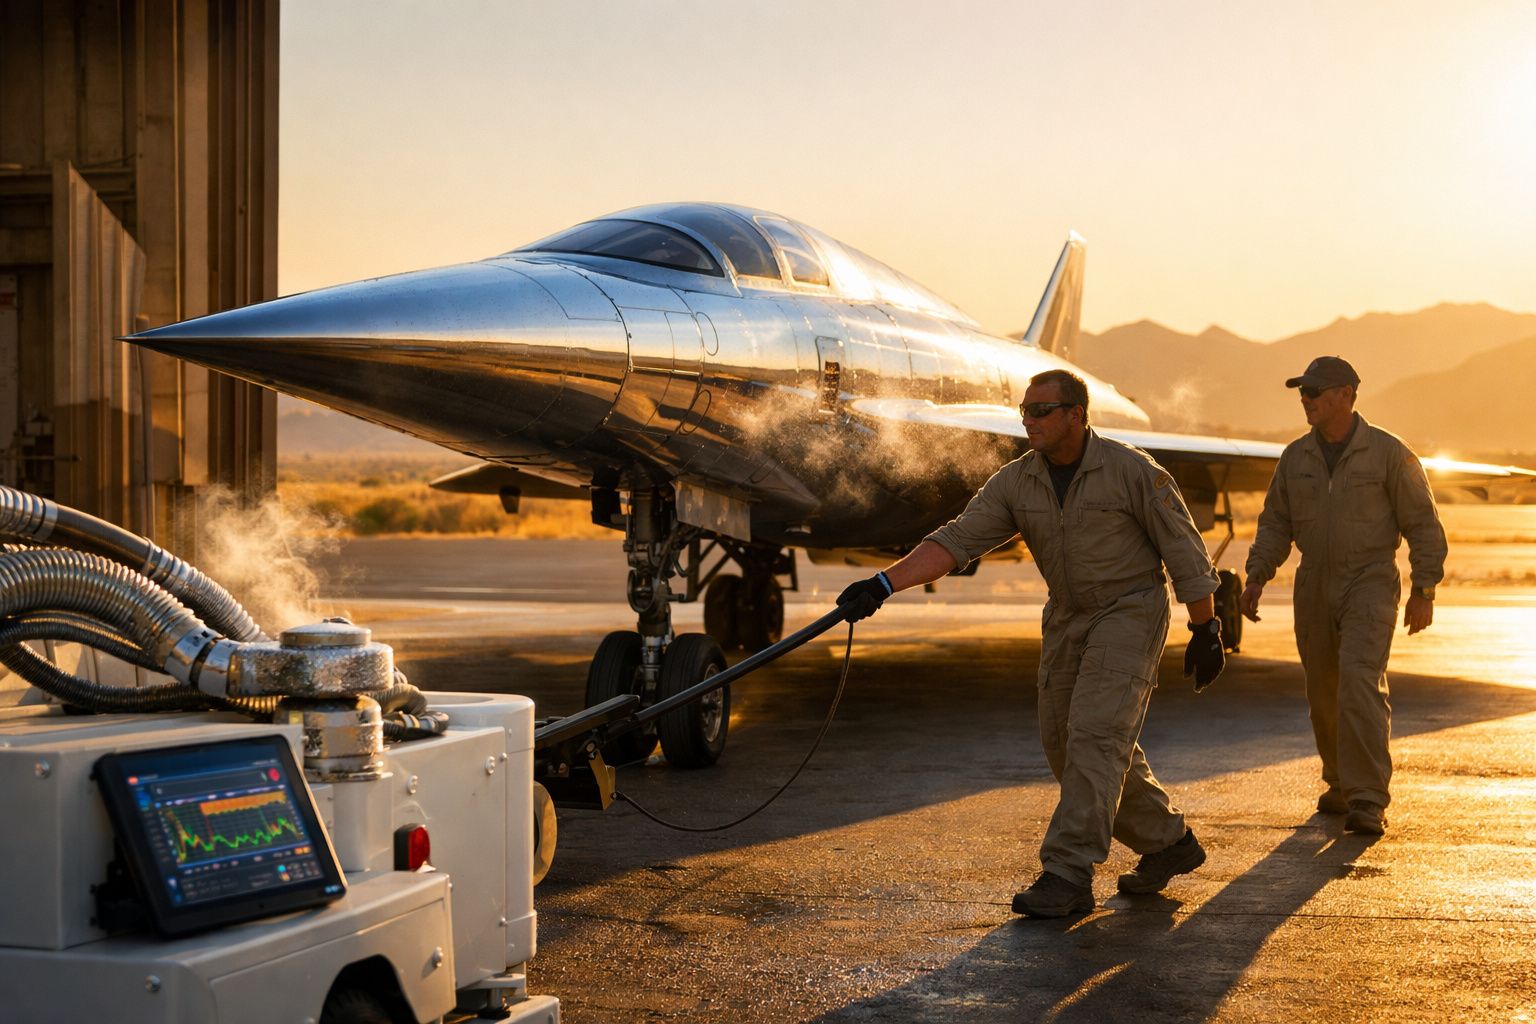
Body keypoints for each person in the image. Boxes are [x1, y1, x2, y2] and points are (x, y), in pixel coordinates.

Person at [838, 368, 1226, 918]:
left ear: (1076, 414)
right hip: (1068, 615)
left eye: (1041, 410)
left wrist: (1205, 628)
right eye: (1024, 410)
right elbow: (956, 540)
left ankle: (1067, 875)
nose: (1028, 420)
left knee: (1095, 736)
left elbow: (1184, 551)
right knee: (1065, 744)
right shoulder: (1017, 481)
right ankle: (1168, 842)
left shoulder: (1132, 471)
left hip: (1130, 610)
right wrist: (881, 585)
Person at [1239, 356, 1445, 836]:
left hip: (1369, 580)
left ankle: (1368, 797)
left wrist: (1424, 589)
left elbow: (1423, 523)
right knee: (1323, 691)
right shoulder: (1296, 457)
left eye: (1314, 391)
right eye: (1302, 391)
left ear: (1346, 395)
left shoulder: (1390, 453)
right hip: (1314, 583)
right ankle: (1340, 783)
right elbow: (1275, 523)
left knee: (1358, 682)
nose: (1305, 399)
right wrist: (1255, 577)